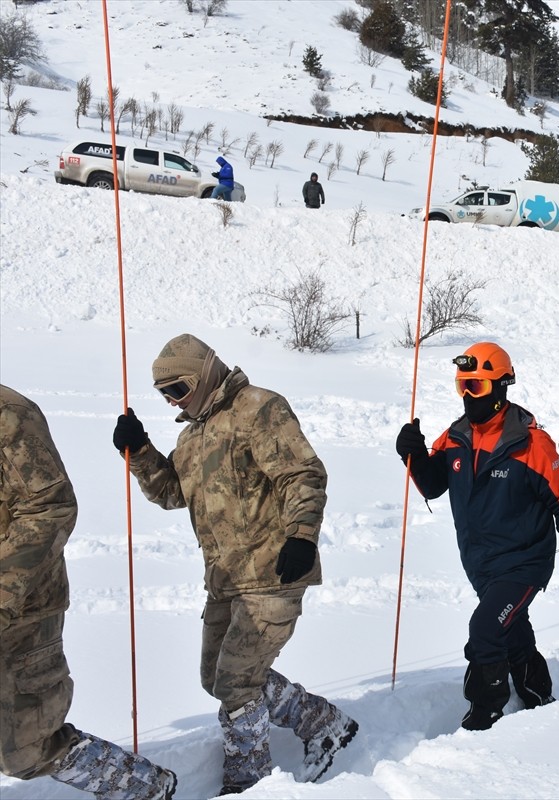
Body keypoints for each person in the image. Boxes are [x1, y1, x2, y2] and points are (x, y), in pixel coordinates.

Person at [112, 334, 356, 793]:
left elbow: (301, 474)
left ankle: (248, 782)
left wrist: (301, 536)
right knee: (215, 677)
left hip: (273, 573)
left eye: (178, 390)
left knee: (237, 682)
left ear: (204, 374)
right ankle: (323, 723)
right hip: (225, 580)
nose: (172, 403)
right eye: (164, 396)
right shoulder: (191, 435)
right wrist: (141, 452)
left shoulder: (259, 408)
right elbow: (172, 493)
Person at [394, 342, 559, 730]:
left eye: (477, 387)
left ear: (502, 389)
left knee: (486, 629)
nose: (469, 396)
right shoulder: (454, 437)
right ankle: (537, 692)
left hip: (523, 562)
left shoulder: (531, 444)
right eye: (463, 387)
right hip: (480, 561)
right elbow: (433, 485)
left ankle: (485, 711)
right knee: (510, 628)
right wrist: (415, 455)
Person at [2, 386, 178, 800]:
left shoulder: (9, 415)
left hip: (23, 608)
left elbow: (50, 507)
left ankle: (145, 789)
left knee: (24, 748)